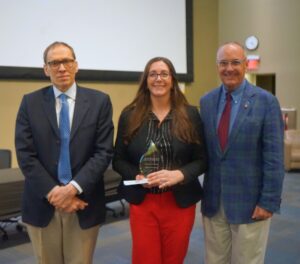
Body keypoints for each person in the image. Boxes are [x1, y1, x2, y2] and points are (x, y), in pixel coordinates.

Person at [15, 41, 114, 264]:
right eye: (55, 62)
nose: (61, 68)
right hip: (42, 203)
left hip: (83, 201)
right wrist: (55, 194)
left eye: (67, 61)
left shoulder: (99, 102)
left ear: (76, 65)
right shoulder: (30, 103)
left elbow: (103, 152)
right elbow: (25, 154)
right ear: (46, 69)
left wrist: (72, 189)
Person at [113, 57, 207, 264]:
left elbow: (202, 160)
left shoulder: (190, 115)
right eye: (153, 74)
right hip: (143, 203)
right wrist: (136, 176)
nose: (158, 79)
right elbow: (118, 160)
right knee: (145, 259)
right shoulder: (130, 115)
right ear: (146, 80)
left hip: (179, 202)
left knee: (174, 259)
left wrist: (179, 174)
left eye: (164, 74)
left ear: (172, 79)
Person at [200, 42, 284, 264]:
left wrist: (269, 201)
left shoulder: (266, 102)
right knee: (214, 260)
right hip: (214, 202)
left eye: (235, 62)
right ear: (217, 66)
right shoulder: (206, 102)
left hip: (250, 204)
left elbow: (274, 157)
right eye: (223, 63)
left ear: (246, 65)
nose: (229, 68)